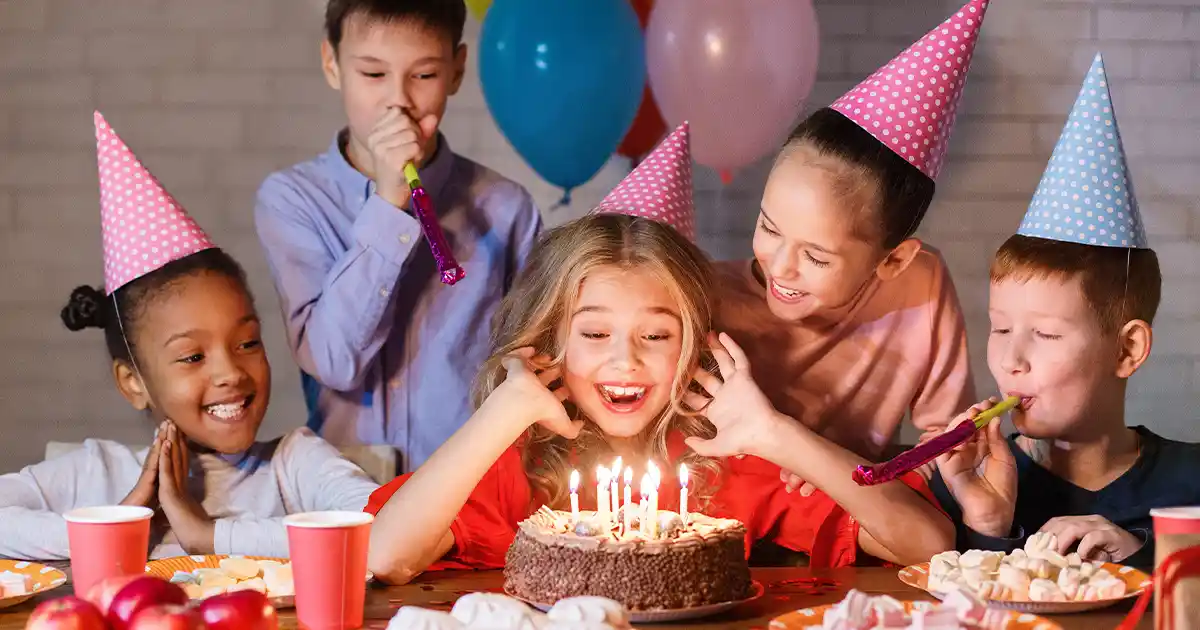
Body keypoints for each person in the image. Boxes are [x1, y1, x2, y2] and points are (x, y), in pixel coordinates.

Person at [361, 126, 954, 584]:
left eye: (656, 335)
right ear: (549, 345)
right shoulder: (517, 465)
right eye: (594, 335)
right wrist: (503, 411)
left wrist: (773, 432)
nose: (626, 362)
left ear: (694, 347)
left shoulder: (720, 464)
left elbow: (929, 545)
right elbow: (385, 559)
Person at [0, 113, 378, 561]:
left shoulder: (294, 465)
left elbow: (382, 527)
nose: (230, 372)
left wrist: (206, 534)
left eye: (247, 343)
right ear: (132, 382)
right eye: (193, 356)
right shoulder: (97, 472)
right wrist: (120, 522)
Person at [930, 55, 1200, 570]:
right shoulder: (967, 484)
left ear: (1127, 349)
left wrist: (1144, 557)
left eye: (1046, 335)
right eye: (1001, 327)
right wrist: (988, 527)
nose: (1010, 358)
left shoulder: (1191, 480)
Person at [255, 0, 542, 471]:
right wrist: (389, 203)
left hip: (468, 486)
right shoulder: (291, 199)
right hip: (345, 487)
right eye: (372, 75)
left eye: (424, 76)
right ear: (332, 64)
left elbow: (531, 362)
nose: (398, 101)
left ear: (456, 71)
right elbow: (332, 361)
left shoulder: (506, 207)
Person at [716, 0, 991, 471]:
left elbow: (942, 444)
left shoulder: (920, 285)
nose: (779, 266)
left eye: (817, 257)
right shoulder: (708, 296)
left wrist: (867, 478)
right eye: (768, 227)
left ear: (894, 261)